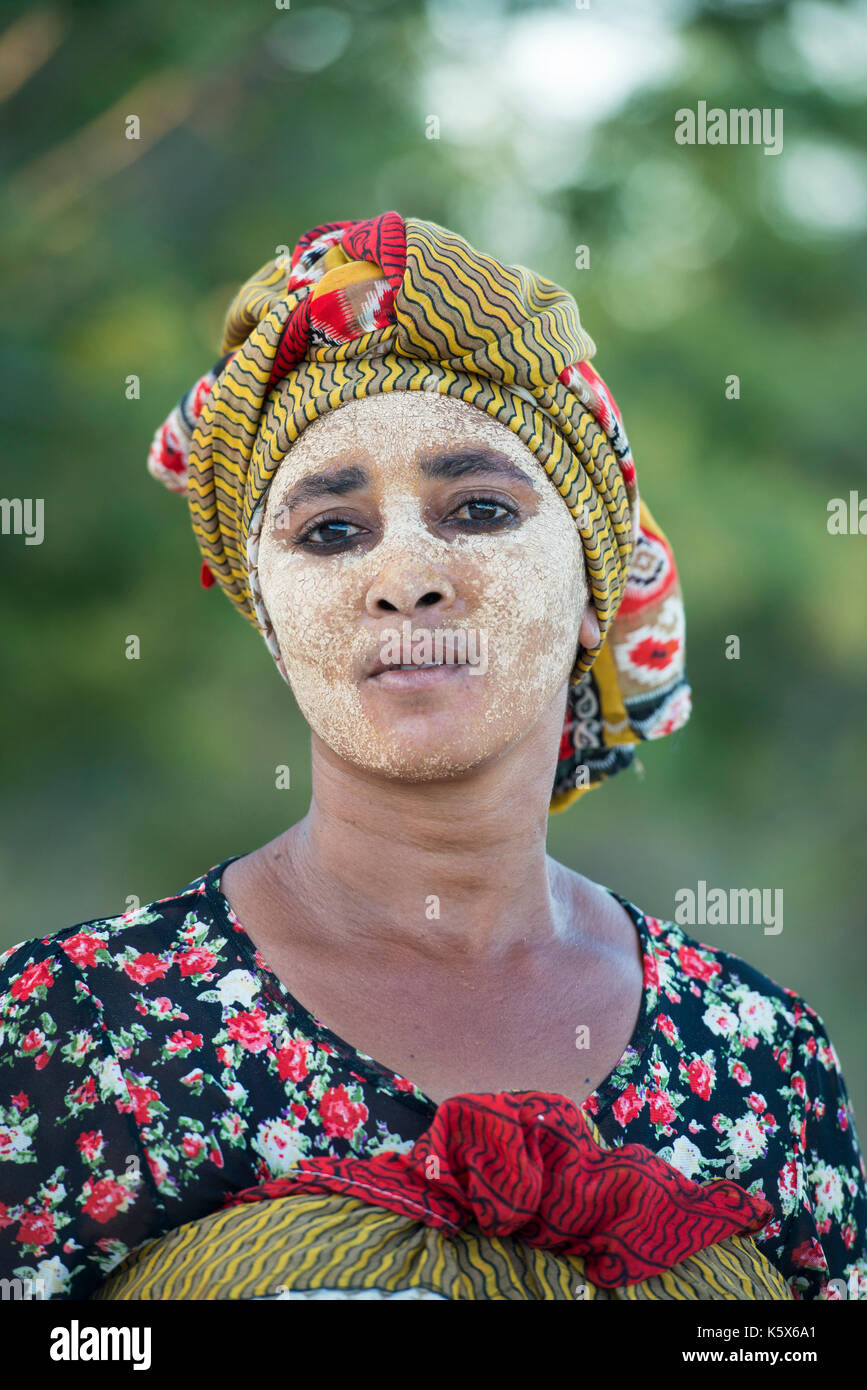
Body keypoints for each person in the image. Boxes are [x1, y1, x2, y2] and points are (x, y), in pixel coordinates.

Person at [1, 212, 864, 1301]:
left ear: (598, 587)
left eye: (481, 508)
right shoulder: (77, 1029)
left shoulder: (761, 1059)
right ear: (269, 615)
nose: (405, 575)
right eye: (330, 531)